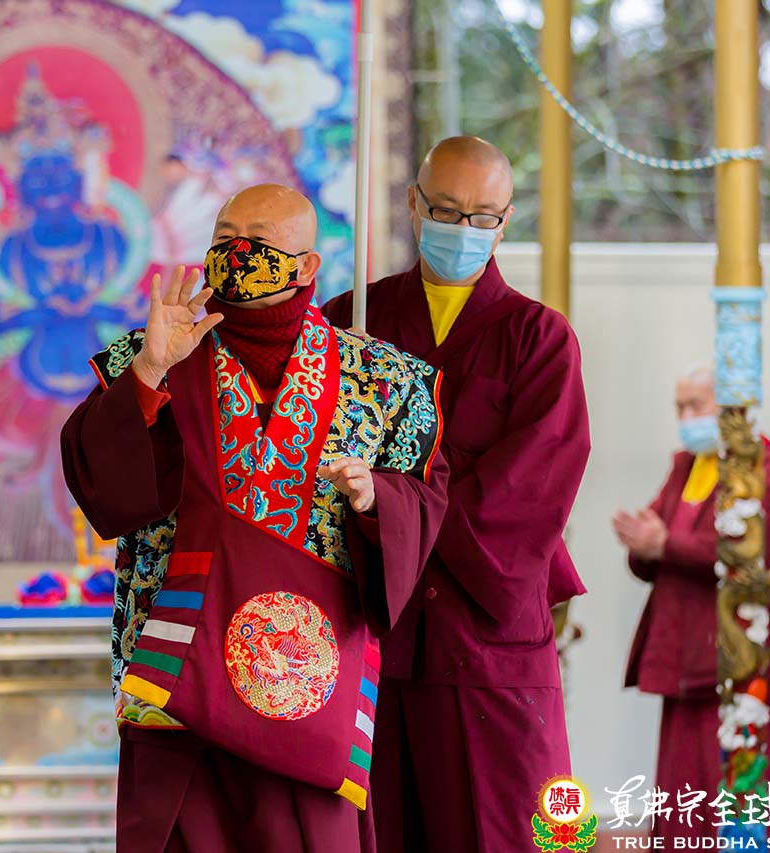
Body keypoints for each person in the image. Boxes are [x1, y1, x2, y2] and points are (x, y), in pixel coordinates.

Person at [61, 184, 450, 852]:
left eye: (259, 241)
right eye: (224, 238)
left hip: (306, 679)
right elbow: (103, 488)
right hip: (177, 676)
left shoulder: (386, 379)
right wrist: (150, 372)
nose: (238, 253)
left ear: (307, 266)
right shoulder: (150, 355)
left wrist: (375, 500)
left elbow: (424, 503)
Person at [322, 136, 591, 851]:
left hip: (485, 635)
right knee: (376, 831)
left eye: (482, 217)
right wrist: (383, 505)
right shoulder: (352, 321)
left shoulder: (539, 338)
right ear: (414, 204)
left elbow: (536, 484)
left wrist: (396, 509)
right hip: (371, 628)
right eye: (445, 210)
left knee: (506, 830)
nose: (462, 229)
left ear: (505, 221)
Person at [613, 365, 770, 841]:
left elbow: (749, 554)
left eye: (695, 405)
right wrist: (644, 545)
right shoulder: (689, 466)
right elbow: (655, 548)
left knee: (745, 796)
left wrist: (664, 545)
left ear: (732, 407)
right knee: (684, 800)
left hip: (743, 662)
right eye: (679, 407)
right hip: (685, 658)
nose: (685, 418)